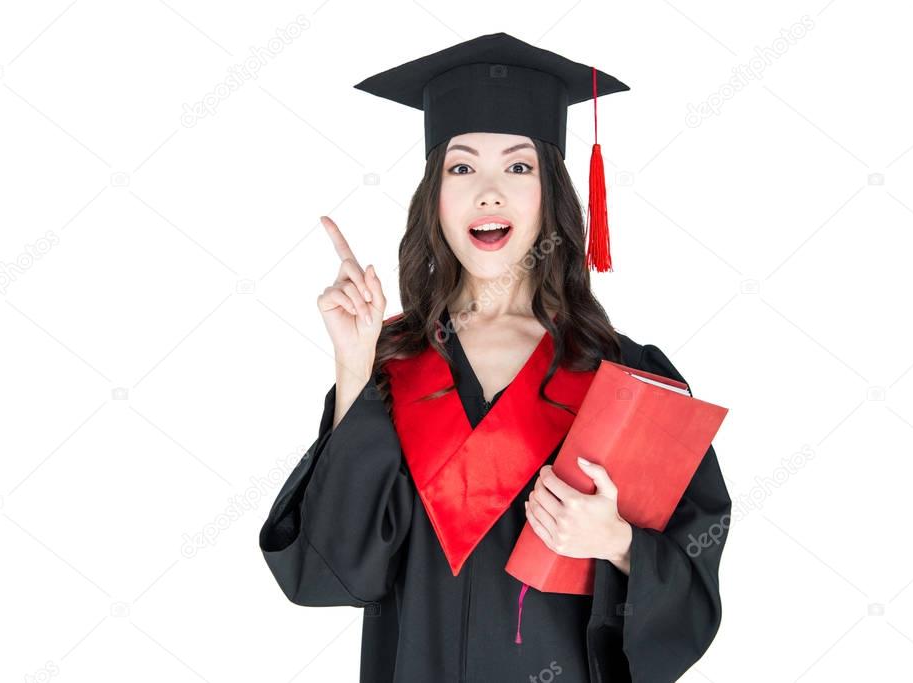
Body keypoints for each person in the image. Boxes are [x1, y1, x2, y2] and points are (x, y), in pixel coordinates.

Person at [258, 33, 732, 682]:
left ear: (552, 194)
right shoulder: (390, 366)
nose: (489, 193)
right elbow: (326, 572)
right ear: (435, 197)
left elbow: (691, 592)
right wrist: (351, 367)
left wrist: (618, 546)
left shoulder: (624, 377)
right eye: (461, 168)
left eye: (517, 167)